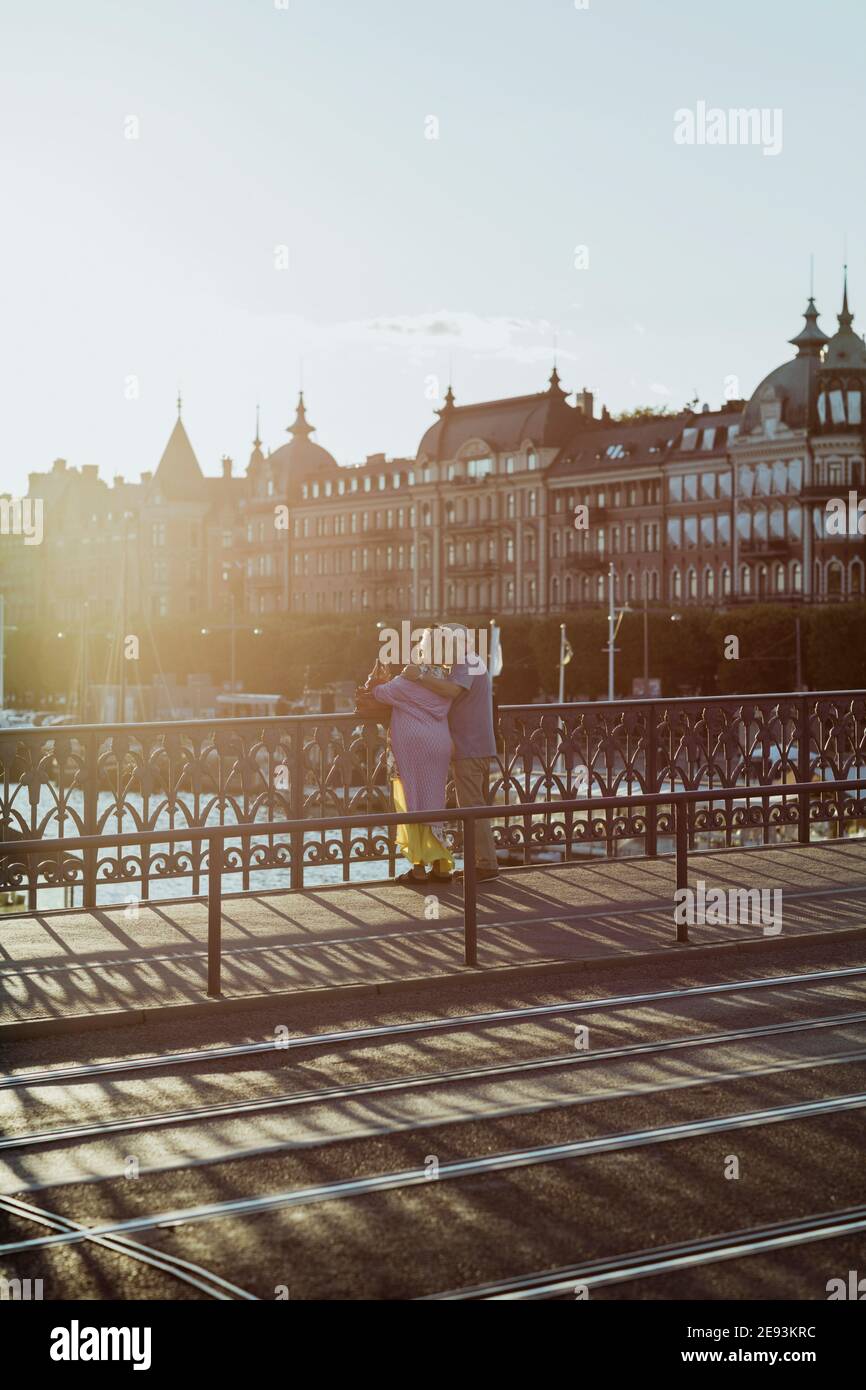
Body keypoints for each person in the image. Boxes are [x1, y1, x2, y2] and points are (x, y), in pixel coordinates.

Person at [400, 621, 499, 881]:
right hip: (475, 745)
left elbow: (452, 690)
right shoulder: (470, 660)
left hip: (469, 746)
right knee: (474, 806)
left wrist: (419, 676)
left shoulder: (467, 662)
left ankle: (487, 865)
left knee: (472, 808)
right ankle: (482, 862)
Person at [370, 639, 454, 887]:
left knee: (410, 801)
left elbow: (379, 694)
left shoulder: (408, 679)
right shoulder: (445, 679)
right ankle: (440, 864)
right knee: (434, 801)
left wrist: (381, 677)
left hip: (411, 748)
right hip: (439, 743)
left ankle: (417, 867)